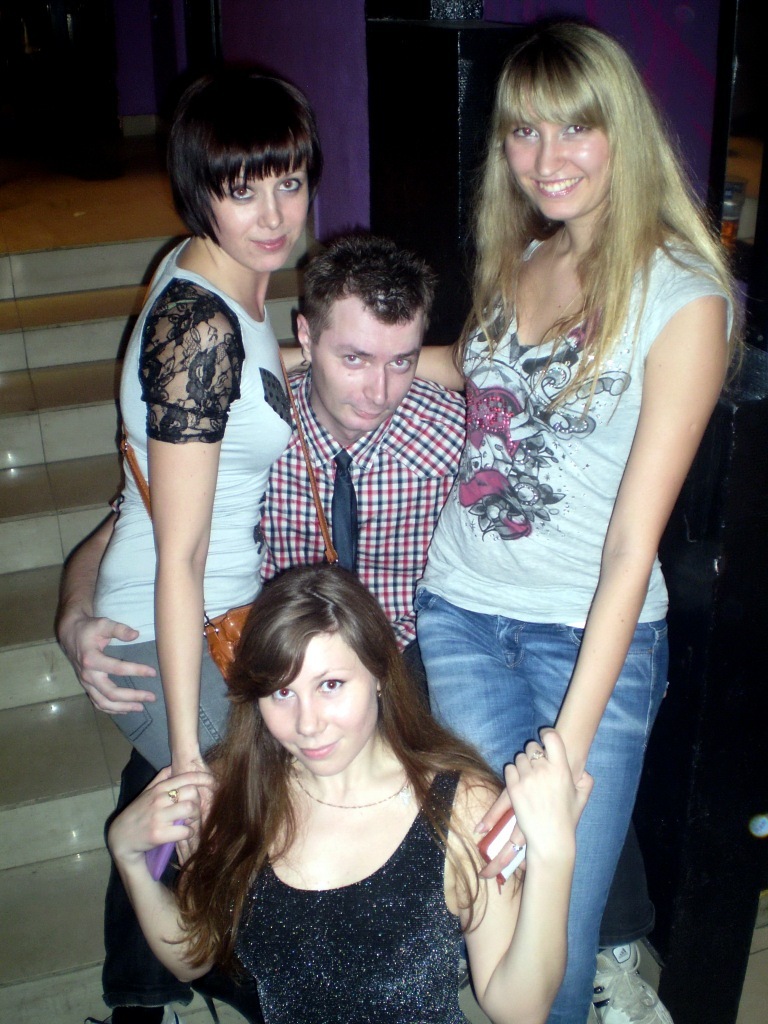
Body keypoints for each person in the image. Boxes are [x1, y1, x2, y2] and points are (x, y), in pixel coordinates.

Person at [414, 21, 736, 1024]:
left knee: (555, 940)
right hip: (461, 613)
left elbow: (632, 547)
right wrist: (328, 360)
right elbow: (471, 374)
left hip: (590, 641)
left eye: (574, 128)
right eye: (523, 131)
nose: (545, 157)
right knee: (495, 899)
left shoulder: (683, 297)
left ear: (622, 132)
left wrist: (565, 749)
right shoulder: (523, 256)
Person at [58, 234, 465, 1021]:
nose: (379, 390)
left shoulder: (447, 431)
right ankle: (145, 994)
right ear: (305, 337)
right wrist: (77, 616)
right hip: (277, 654)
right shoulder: (250, 428)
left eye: (403, 361)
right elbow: (125, 526)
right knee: (172, 775)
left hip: (400, 654)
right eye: (354, 358)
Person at [62, 66, 322, 1024]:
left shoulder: (218, 278)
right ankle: (261, 989)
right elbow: (175, 557)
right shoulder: (198, 325)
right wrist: (186, 756)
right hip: (168, 623)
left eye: (289, 181)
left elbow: (239, 391)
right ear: (195, 188)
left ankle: (136, 993)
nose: (272, 215)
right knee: (268, 832)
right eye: (241, 190)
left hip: (212, 617)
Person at [107, 564, 593, 1024]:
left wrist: (554, 855)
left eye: (331, 685)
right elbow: (193, 957)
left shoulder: (461, 807)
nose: (308, 723)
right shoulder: (237, 794)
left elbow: (517, 1011)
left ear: (379, 674)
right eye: (282, 693)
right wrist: (129, 859)